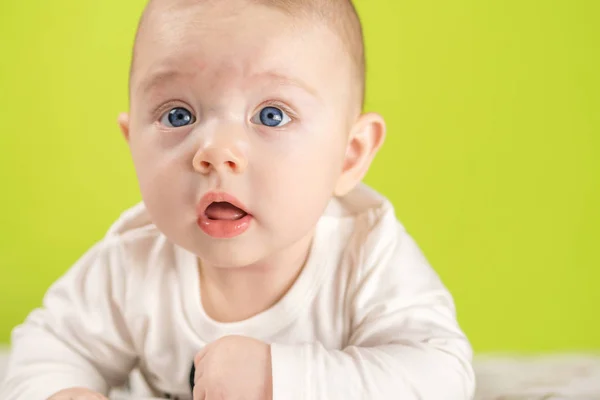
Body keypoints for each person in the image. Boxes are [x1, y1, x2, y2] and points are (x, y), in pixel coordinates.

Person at [0, 0, 476, 399]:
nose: (216, 152)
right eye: (178, 114)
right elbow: (48, 347)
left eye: (271, 115)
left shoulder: (367, 256)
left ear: (348, 157)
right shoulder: (135, 260)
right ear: (133, 145)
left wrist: (279, 378)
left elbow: (441, 377)